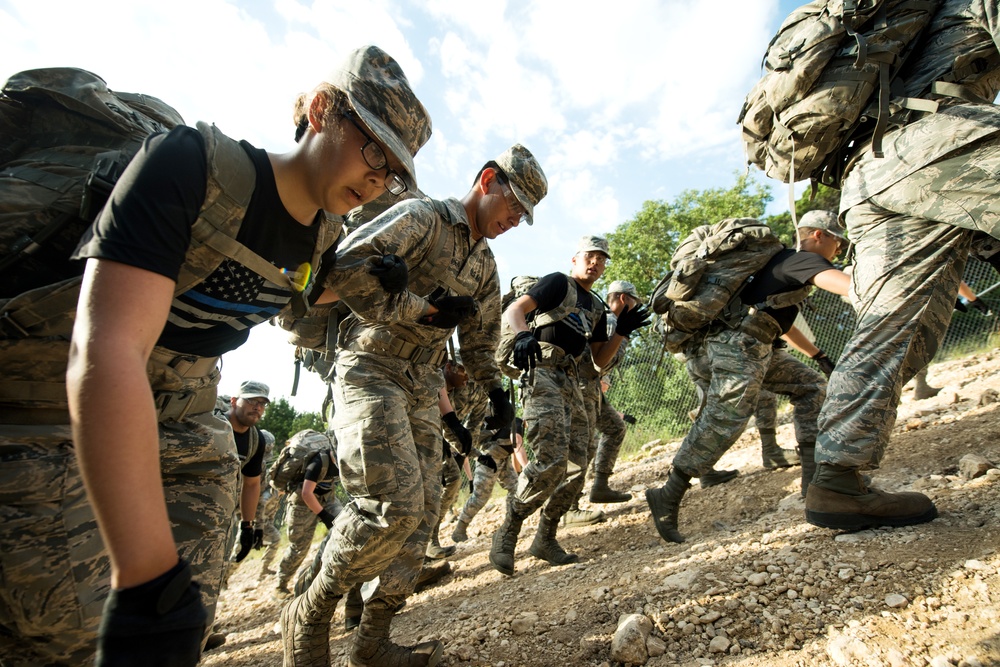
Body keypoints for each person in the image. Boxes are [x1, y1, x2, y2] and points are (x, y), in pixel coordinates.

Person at [0, 45, 431, 667]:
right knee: (66, 626)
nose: (377, 178)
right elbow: (107, 346)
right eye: (373, 151)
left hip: (192, 422)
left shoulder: (325, 232)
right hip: (59, 408)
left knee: (181, 627)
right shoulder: (190, 165)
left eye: (391, 171)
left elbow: (295, 309)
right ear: (319, 111)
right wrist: (144, 574)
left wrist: (376, 284)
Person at [281, 143, 547, 667]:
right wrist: (417, 306)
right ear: (488, 180)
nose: (515, 220)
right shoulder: (423, 217)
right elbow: (339, 272)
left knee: (423, 515)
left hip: (421, 384)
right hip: (369, 368)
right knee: (391, 505)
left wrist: (498, 396)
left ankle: (372, 641)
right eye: (513, 205)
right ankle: (308, 616)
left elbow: (477, 342)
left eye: (524, 217)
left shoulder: (486, 265)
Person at [808, 0, 1000, 531]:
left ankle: (837, 483)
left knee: (893, 332)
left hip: (867, 173)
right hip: (939, 139)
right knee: (893, 331)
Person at [645, 211, 851, 544]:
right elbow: (843, 284)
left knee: (811, 386)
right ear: (816, 235)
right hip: (739, 342)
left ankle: (815, 484)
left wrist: (819, 356)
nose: (838, 250)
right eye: (837, 241)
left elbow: (782, 320)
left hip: (750, 342)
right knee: (726, 417)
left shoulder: (781, 264)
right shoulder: (800, 261)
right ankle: (667, 495)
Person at [488, 235, 649, 577]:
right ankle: (509, 528)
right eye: (590, 256)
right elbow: (516, 311)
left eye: (601, 259)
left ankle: (545, 537)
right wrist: (522, 335)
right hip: (542, 371)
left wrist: (621, 330)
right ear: (575, 259)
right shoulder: (558, 283)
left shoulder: (596, 307)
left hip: (573, 380)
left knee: (578, 460)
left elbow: (598, 363)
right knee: (550, 460)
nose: (595, 263)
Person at [274, 430, 343, 599]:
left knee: (344, 527)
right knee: (299, 547)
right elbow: (306, 493)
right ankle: (280, 585)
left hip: (327, 497)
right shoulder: (319, 461)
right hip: (302, 503)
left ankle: (334, 577)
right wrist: (324, 516)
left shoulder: (345, 458)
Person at [451, 416, 524, 542]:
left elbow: (513, 451)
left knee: (515, 488)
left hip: (503, 458)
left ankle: (509, 523)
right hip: (489, 458)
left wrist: (518, 472)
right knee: (480, 496)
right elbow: (517, 446)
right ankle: (459, 530)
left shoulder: (517, 424)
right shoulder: (516, 423)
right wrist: (526, 467)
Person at [226, 381, 270, 565]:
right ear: (234, 401)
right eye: (252, 401)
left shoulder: (256, 440)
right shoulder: (211, 424)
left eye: (262, 404)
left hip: (219, 516)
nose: (257, 407)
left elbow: (252, 484)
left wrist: (247, 526)